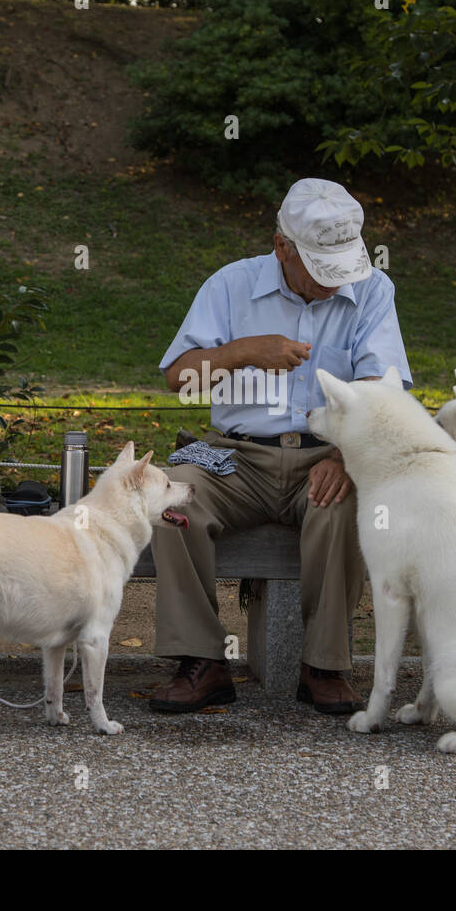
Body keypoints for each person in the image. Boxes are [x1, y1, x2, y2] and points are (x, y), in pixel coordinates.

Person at [151, 178, 412, 715]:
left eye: (339, 268)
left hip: (326, 452)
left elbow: (383, 389)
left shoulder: (372, 290)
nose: (330, 283)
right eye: (320, 269)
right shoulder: (231, 284)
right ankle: (203, 661)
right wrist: (243, 351)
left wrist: (346, 455)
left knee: (343, 505)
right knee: (170, 503)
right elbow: (180, 380)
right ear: (282, 247)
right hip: (236, 456)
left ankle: (324, 666)